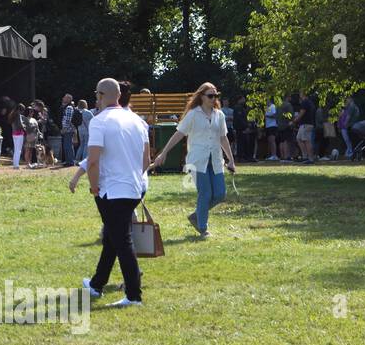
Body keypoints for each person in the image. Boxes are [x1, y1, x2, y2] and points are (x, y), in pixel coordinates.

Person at [81, 78, 150, 307]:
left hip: (111, 190)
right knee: (113, 236)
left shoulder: (99, 122)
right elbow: (146, 160)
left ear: (100, 95)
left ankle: (134, 295)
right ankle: (96, 284)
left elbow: (93, 160)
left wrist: (93, 186)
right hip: (134, 187)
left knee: (122, 241)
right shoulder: (138, 121)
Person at [153, 83, 236, 238]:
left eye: (215, 95)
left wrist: (231, 160)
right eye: (210, 96)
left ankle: (196, 215)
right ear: (201, 97)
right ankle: (203, 228)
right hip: (197, 160)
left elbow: (223, 138)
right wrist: (163, 153)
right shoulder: (193, 114)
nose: (213, 99)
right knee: (205, 194)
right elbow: (178, 134)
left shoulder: (220, 115)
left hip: (216, 160)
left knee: (219, 194)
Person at [58, 94, 76, 166]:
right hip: (67, 129)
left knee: (68, 146)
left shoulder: (69, 107)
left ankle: (70, 162)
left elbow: (68, 119)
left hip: (68, 130)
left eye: (65, 97)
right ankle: (68, 161)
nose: (63, 98)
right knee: (67, 145)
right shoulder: (66, 107)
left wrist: (64, 129)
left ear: (69, 99)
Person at [11, 105, 26, 169]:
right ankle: (16, 165)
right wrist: (25, 129)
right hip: (19, 133)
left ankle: (15, 164)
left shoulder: (12, 114)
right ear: (20, 110)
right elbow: (20, 124)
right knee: (19, 150)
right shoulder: (18, 115)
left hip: (14, 134)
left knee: (16, 149)